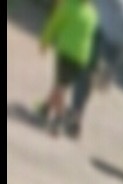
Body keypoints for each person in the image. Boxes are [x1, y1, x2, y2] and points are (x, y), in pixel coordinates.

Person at [64, 0, 123, 140]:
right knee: (89, 77)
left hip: (107, 40)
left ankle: (75, 114)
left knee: (85, 76)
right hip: (118, 44)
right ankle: (76, 113)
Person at [35, 0, 99, 135]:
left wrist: (45, 41)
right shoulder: (92, 13)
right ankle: (45, 108)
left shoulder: (68, 6)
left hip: (66, 52)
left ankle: (61, 118)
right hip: (81, 57)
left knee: (60, 87)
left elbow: (54, 24)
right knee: (61, 85)